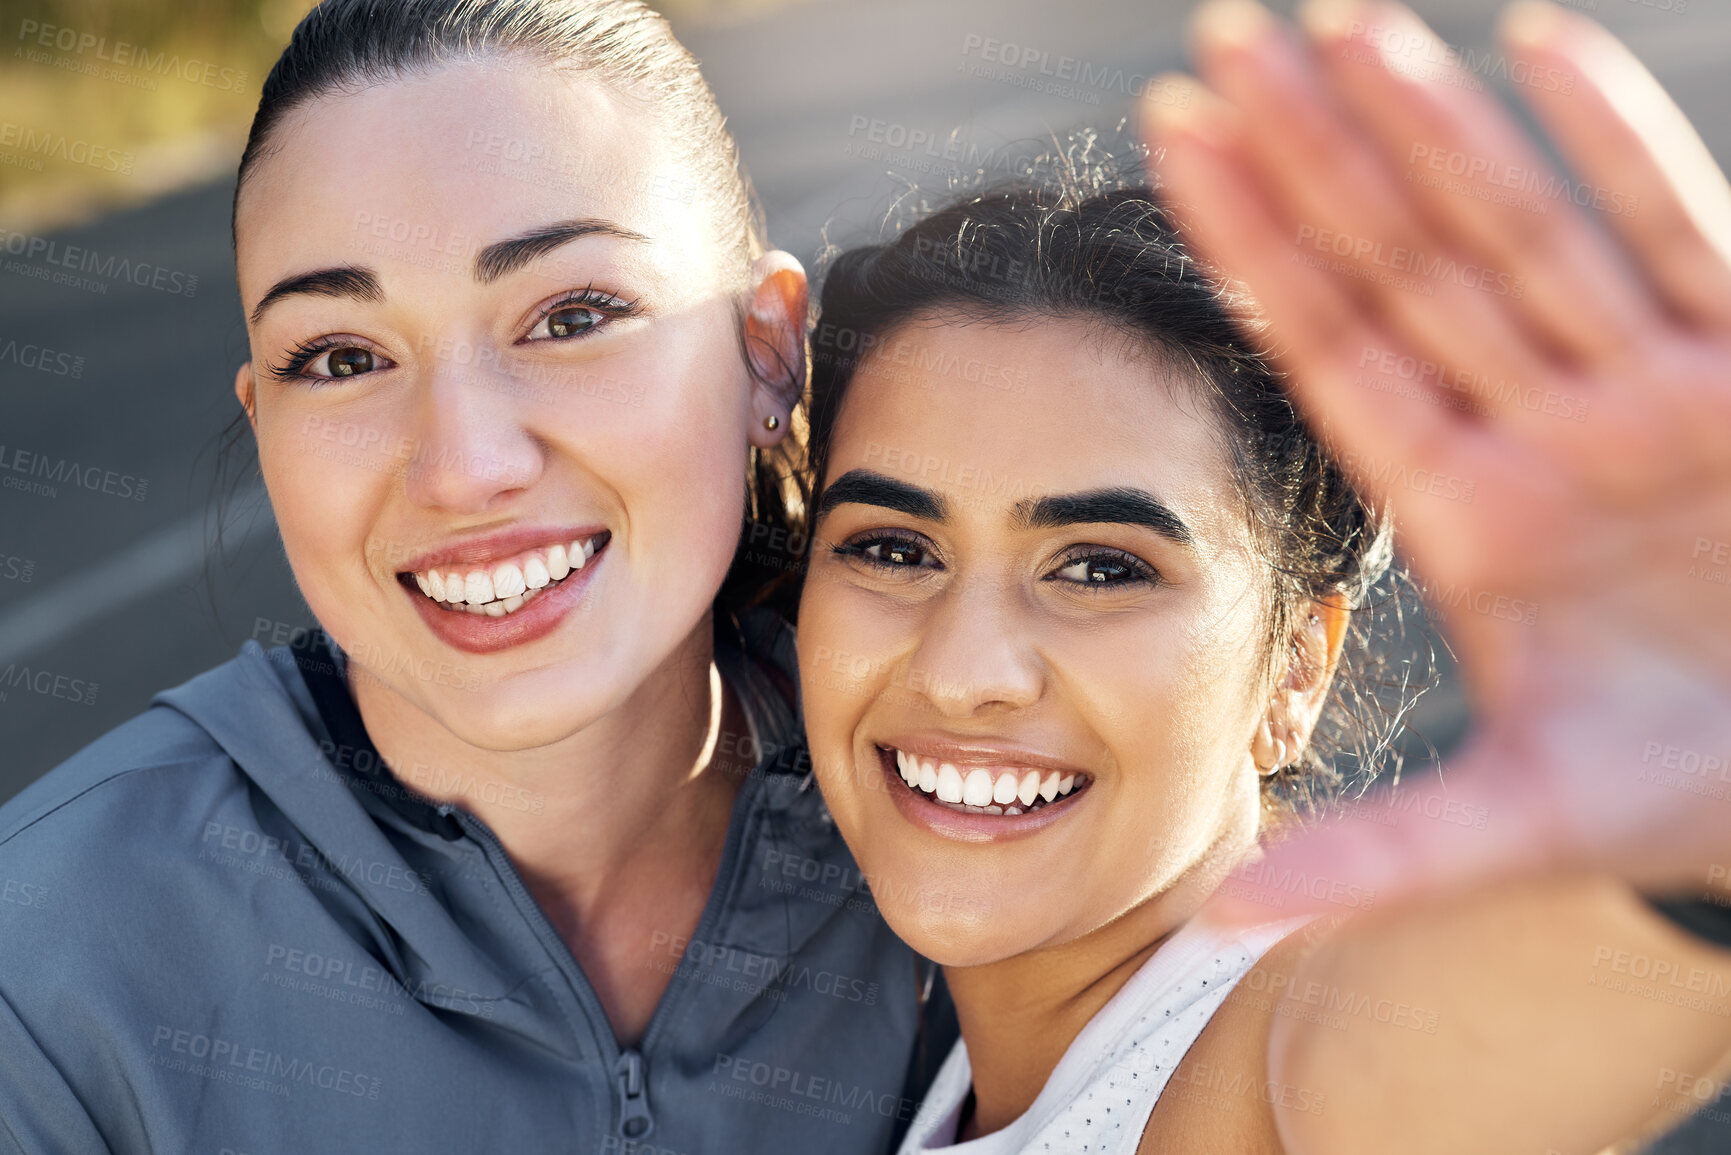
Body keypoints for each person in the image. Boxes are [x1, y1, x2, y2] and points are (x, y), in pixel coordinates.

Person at [0, 2, 948, 1151]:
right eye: (342, 358)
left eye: (572, 316)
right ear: (264, 426)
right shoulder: (46, 967)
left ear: (767, 350)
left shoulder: (970, 824)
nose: (465, 466)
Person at [793, 2, 1731, 1148]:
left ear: (1297, 668)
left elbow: (1401, 1078)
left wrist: (1694, 829)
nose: (962, 672)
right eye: (894, 549)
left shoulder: (1269, 1053)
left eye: (1099, 568)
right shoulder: (940, 1076)